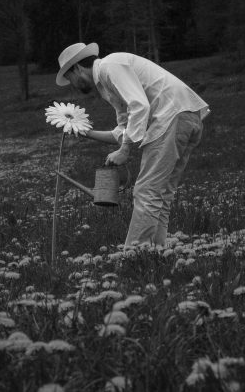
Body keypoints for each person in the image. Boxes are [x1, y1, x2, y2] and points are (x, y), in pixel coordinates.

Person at [55, 42, 209, 248]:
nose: (72, 83)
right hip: (185, 116)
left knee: (146, 192)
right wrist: (86, 133)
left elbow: (139, 106)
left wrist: (125, 149)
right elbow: (125, 128)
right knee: (161, 193)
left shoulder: (111, 66)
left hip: (170, 117)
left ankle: (134, 255)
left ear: (77, 68)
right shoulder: (107, 79)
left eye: (70, 78)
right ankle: (155, 250)